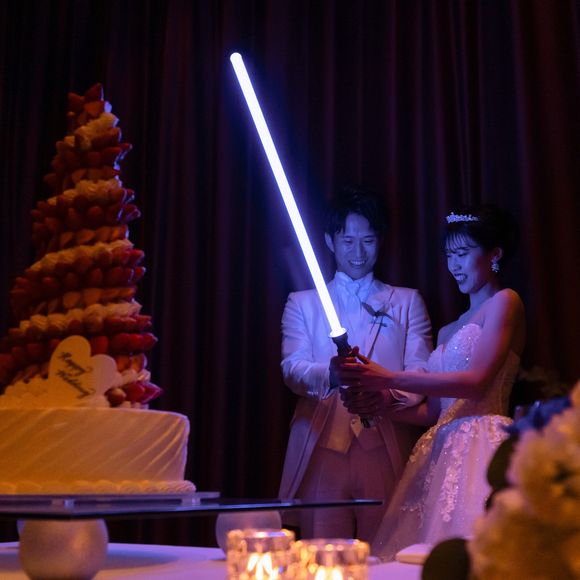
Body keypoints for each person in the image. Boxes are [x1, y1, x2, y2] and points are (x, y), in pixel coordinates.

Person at [336, 204, 525, 560]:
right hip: (442, 449)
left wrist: (388, 376)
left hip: (483, 442)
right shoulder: (448, 329)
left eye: (463, 253)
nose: (454, 265)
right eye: (449, 255)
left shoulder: (505, 302)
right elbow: (435, 413)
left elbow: (476, 383)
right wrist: (381, 405)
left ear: (494, 254)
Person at [278, 187, 433, 542]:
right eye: (348, 241)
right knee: (322, 553)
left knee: (385, 552)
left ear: (380, 241)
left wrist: (386, 398)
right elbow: (292, 368)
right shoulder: (302, 303)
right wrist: (331, 374)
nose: (358, 252)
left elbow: (422, 372)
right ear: (330, 242)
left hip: (385, 446)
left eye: (368, 240)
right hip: (323, 448)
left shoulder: (407, 302)